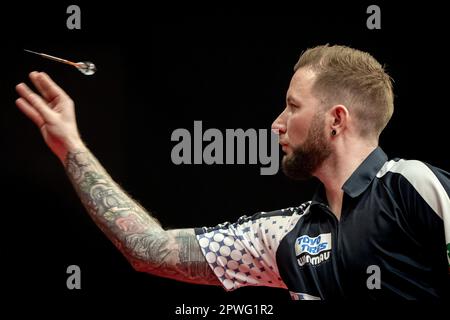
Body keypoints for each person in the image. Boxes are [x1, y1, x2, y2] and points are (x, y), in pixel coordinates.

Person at [15, 45, 449, 300]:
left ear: (336, 120)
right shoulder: (283, 235)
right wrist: (70, 146)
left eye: (293, 107)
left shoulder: (413, 186)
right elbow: (148, 248)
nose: (277, 123)